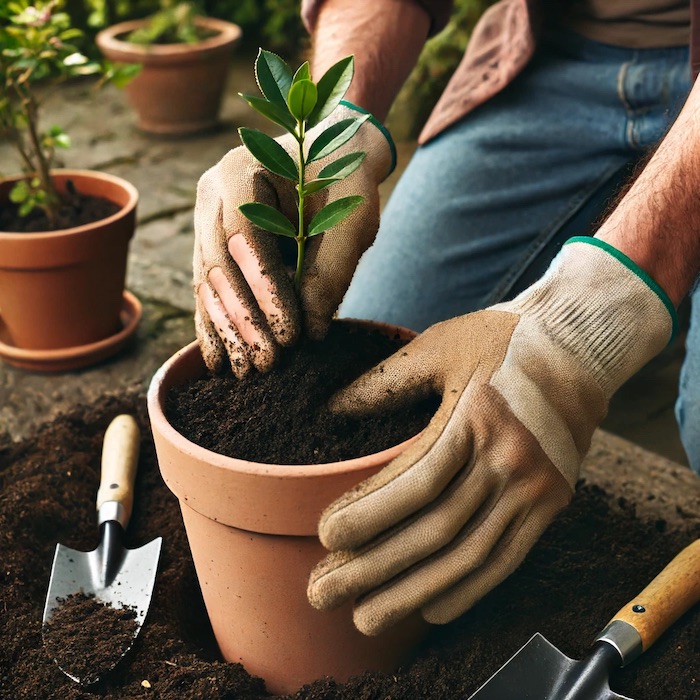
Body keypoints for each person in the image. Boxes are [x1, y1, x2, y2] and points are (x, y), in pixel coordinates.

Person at [193, 0, 700, 637]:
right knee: (379, 338)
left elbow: (585, 327)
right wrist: (328, 125)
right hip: (554, 57)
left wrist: (586, 325)